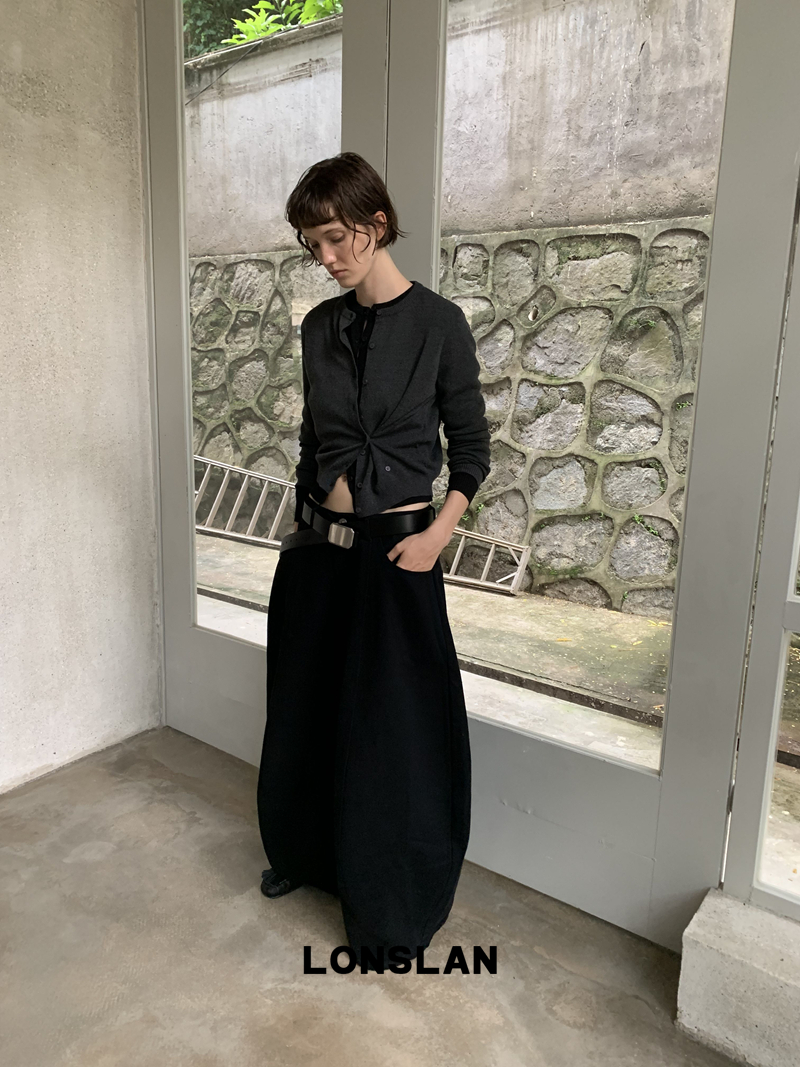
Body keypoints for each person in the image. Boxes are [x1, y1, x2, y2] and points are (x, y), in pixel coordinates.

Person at [256, 151, 491, 969]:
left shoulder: (439, 325)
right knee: (308, 710)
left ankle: (390, 901)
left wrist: (435, 537)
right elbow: (312, 437)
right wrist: (300, 524)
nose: (325, 257)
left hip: (400, 555)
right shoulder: (319, 328)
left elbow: (471, 450)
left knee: (393, 730)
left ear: (376, 224)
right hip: (320, 552)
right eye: (311, 244)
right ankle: (305, 853)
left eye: (334, 238)